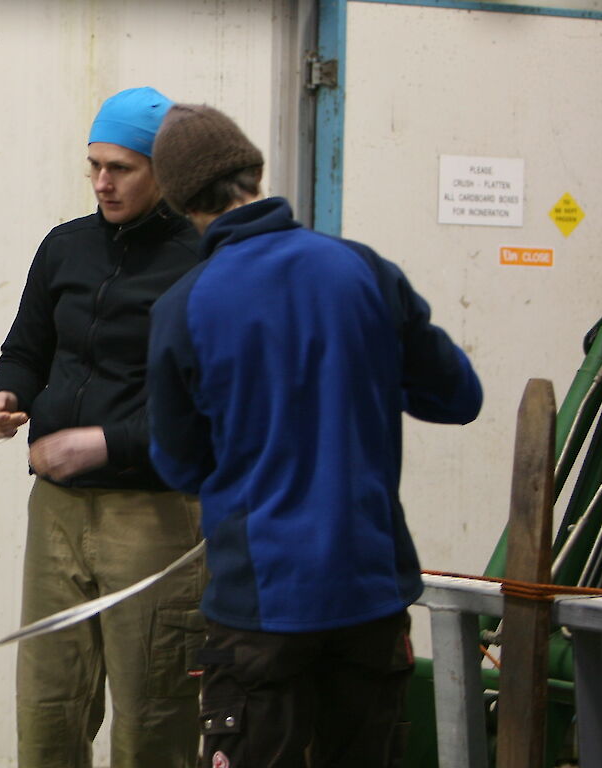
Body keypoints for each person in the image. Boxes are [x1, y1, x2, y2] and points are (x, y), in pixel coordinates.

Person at [144, 104, 483, 767]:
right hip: (368, 596)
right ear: (256, 172)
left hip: (258, 610)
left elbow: (180, 464)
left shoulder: (183, 307)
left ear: (181, 202)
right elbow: (458, 396)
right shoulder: (364, 272)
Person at [0, 86, 210, 768]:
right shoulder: (65, 247)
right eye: (94, 165)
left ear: (164, 170)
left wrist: (110, 442)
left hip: (154, 513)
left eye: (122, 168)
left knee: (153, 712)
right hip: (55, 510)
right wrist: (9, 393)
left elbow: (204, 409)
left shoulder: (203, 259)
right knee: (48, 706)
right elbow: (28, 345)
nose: (102, 182)